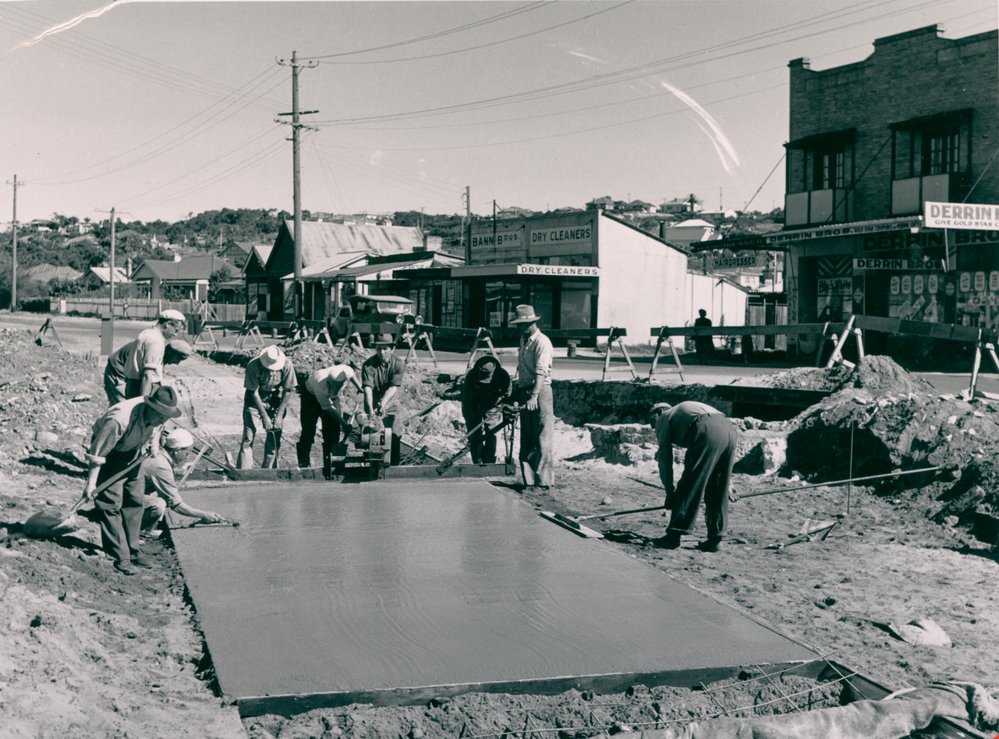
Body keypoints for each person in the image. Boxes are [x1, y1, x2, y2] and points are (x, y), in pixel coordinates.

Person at [79, 385, 183, 575]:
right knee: (111, 504)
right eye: (160, 415)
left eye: (165, 416)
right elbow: (96, 454)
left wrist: (152, 444)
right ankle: (120, 556)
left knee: (135, 500)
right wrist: (91, 484)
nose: (163, 419)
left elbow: (157, 427)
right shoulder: (119, 421)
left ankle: (133, 551)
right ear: (150, 407)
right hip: (111, 452)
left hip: (134, 451)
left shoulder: (159, 416)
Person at [651, 400, 739, 552]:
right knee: (718, 486)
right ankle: (716, 539)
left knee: (690, 484)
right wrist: (729, 485)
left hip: (706, 428)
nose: (652, 426)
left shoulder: (664, 417)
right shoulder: (684, 411)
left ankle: (674, 536)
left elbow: (665, 459)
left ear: (658, 412)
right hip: (729, 429)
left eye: (652, 420)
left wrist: (670, 493)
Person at [140, 428, 226, 536]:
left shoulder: (160, 455)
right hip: (124, 499)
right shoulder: (161, 465)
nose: (187, 457)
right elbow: (176, 505)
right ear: (177, 450)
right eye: (186, 454)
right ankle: (139, 531)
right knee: (159, 504)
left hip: (131, 492)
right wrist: (204, 514)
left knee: (162, 496)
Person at [511, 304, 555, 490]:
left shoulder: (542, 342)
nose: (520, 328)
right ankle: (529, 480)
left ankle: (544, 481)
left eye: (523, 325)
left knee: (542, 436)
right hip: (525, 390)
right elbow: (521, 368)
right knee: (527, 437)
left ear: (532, 323)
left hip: (540, 390)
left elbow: (541, 372)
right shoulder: (524, 340)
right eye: (518, 325)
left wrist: (534, 396)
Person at [297, 360, 364, 478]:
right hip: (310, 397)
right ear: (329, 381)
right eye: (332, 384)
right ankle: (304, 464)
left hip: (331, 397)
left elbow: (352, 375)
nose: (335, 386)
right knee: (308, 430)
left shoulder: (345, 371)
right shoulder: (320, 385)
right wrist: (344, 423)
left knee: (333, 430)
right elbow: (327, 408)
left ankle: (332, 465)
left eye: (338, 386)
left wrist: (359, 388)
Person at [103, 310, 187, 403]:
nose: (175, 334)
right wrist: (143, 402)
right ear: (168, 324)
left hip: (132, 383)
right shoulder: (156, 342)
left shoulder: (147, 333)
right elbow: (147, 375)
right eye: (176, 330)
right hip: (136, 384)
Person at [237, 345, 297, 469]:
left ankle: (269, 470)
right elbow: (253, 391)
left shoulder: (287, 365)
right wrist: (264, 416)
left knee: (274, 435)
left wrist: (279, 416)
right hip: (254, 400)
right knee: (248, 436)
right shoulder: (253, 365)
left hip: (275, 400)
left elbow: (288, 390)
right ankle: (244, 471)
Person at [104, 337, 192, 405]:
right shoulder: (155, 351)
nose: (177, 363)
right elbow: (146, 377)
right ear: (170, 352)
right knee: (124, 407)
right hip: (117, 371)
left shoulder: (162, 355)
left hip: (130, 374)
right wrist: (143, 403)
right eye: (178, 359)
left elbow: (154, 382)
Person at [461, 355, 511, 464]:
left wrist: (501, 402)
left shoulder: (503, 375)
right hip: (473, 405)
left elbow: (507, 395)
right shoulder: (471, 376)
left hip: (493, 405)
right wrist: (474, 412)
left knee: (491, 431)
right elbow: (467, 399)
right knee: (474, 434)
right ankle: (477, 460)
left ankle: (489, 460)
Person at [361, 333, 406, 427]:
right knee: (371, 431)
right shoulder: (368, 365)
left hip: (391, 400)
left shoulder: (398, 364)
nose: (382, 352)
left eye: (385, 349)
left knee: (392, 433)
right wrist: (370, 408)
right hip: (373, 400)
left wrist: (383, 403)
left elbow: (393, 387)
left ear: (392, 349)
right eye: (378, 348)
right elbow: (367, 388)